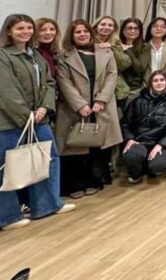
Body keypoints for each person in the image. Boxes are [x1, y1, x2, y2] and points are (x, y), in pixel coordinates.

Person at [0, 14, 75, 230]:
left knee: (47, 158)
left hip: (39, 118)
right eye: (20, 28)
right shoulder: (4, 56)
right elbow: (7, 91)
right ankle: (8, 217)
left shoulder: (35, 55)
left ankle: (47, 205)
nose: (25, 32)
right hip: (10, 122)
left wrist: (44, 107)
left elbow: (49, 83)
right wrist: (27, 116)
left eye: (28, 28)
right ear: (9, 31)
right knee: (6, 167)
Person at [56, 20, 122, 198]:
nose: (82, 34)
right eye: (78, 32)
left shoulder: (106, 52)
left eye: (85, 31)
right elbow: (64, 82)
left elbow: (112, 76)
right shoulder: (64, 56)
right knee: (75, 147)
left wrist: (101, 100)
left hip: (100, 107)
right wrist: (80, 105)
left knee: (97, 146)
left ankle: (94, 180)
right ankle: (74, 185)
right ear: (71, 35)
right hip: (75, 108)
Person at [120, 70, 166, 184]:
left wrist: (161, 144)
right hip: (140, 141)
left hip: (161, 143)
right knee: (132, 156)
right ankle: (136, 174)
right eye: (155, 81)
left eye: (162, 80)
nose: (159, 83)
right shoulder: (138, 101)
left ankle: (150, 169)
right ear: (150, 83)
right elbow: (125, 123)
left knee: (157, 166)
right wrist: (130, 139)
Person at [92, 15, 134, 110]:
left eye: (110, 25)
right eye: (103, 24)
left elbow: (124, 64)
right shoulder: (88, 40)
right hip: (94, 83)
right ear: (96, 26)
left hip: (115, 87)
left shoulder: (115, 42)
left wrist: (112, 49)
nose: (106, 27)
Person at [137, 17, 166, 83]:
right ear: (150, 29)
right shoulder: (143, 46)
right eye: (155, 26)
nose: (159, 29)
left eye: (163, 27)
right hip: (147, 84)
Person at [35, 17, 63, 84]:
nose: (48, 33)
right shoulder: (30, 53)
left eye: (52, 29)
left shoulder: (59, 54)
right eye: (42, 30)